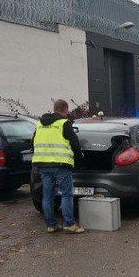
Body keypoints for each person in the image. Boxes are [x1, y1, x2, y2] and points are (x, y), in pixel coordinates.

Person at [32, 99, 85, 234]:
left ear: (54, 108)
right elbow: (75, 143)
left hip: (43, 165)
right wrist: (79, 158)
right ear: (65, 110)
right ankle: (69, 223)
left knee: (47, 196)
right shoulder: (64, 124)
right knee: (67, 194)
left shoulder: (39, 124)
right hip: (60, 165)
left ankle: (51, 225)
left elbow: (33, 143)